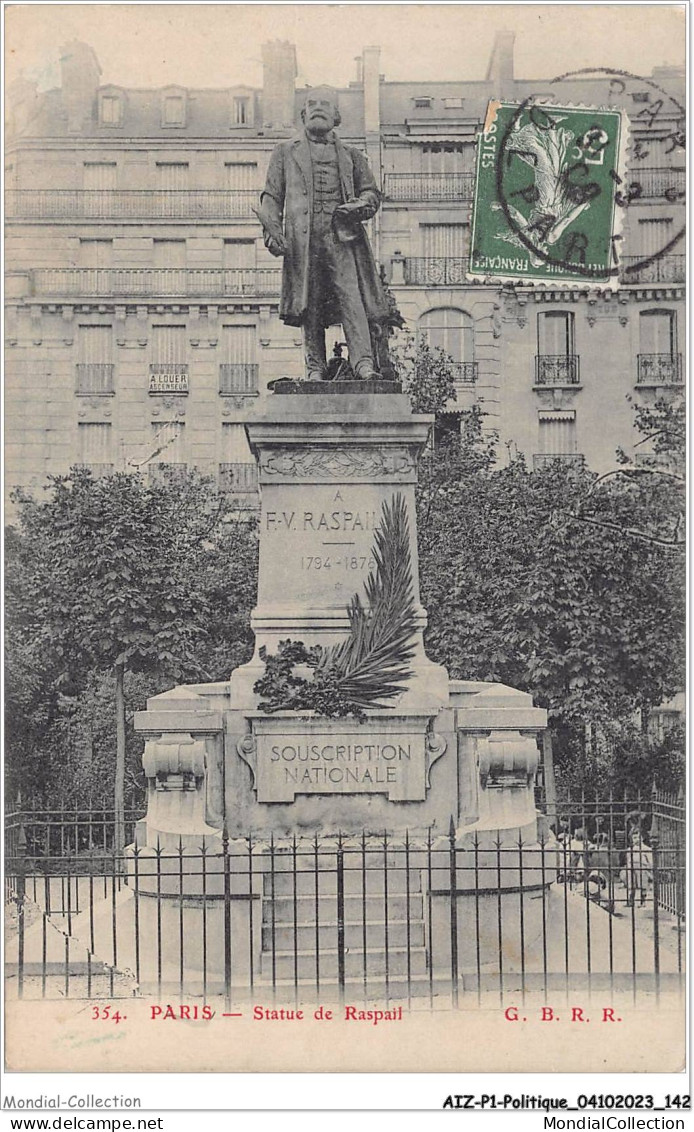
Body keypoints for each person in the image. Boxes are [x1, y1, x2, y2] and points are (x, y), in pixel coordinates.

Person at [256, 86, 389, 381]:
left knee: (351, 299)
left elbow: (371, 193)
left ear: (337, 115)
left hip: (343, 239)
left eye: (325, 104)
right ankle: (315, 367)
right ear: (303, 114)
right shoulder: (284, 152)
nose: (318, 107)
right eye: (312, 103)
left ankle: (363, 364)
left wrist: (360, 205)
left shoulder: (352, 155)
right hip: (303, 241)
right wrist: (272, 233)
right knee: (310, 303)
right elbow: (272, 197)